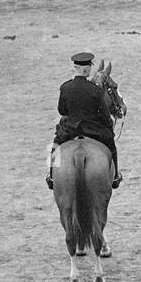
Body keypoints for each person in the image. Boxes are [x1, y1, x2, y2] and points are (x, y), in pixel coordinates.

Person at [49, 52, 122, 191]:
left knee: (54, 145)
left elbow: (62, 111)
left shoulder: (65, 87)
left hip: (70, 130)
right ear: (86, 69)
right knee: (111, 144)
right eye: (89, 67)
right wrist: (108, 126)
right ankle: (115, 176)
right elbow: (105, 115)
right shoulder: (94, 89)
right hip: (93, 130)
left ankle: (52, 176)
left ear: (75, 68)